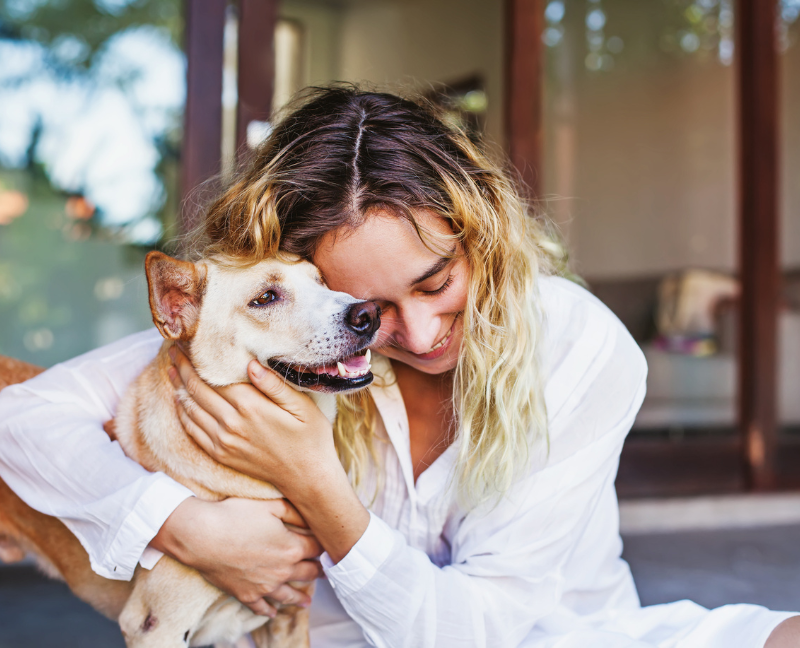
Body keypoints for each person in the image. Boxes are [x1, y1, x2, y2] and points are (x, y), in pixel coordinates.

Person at [0, 86, 797, 648]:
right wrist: (186, 525)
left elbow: (473, 633)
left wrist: (315, 482)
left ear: (479, 231)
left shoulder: (575, 342)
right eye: (364, 309)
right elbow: (20, 417)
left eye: (437, 281)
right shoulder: (274, 330)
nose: (417, 334)